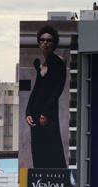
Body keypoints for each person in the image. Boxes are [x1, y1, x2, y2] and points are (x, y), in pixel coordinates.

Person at [25, 25, 67, 169]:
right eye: (42, 40)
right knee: (38, 149)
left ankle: (59, 185)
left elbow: (57, 90)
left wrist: (45, 112)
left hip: (48, 115)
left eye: (49, 40)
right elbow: (36, 91)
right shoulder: (41, 65)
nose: (45, 43)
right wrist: (28, 112)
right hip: (36, 115)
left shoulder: (58, 62)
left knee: (52, 148)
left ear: (54, 43)